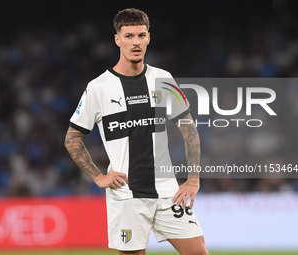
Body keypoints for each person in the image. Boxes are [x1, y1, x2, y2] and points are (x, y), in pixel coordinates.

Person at [65, 8, 208, 255]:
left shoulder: (163, 79)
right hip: (126, 196)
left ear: (149, 38)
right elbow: (72, 138)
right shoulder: (98, 88)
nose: (136, 42)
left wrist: (193, 179)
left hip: (168, 192)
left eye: (141, 35)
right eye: (129, 36)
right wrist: (98, 177)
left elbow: (190, 131)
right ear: (117, 39)